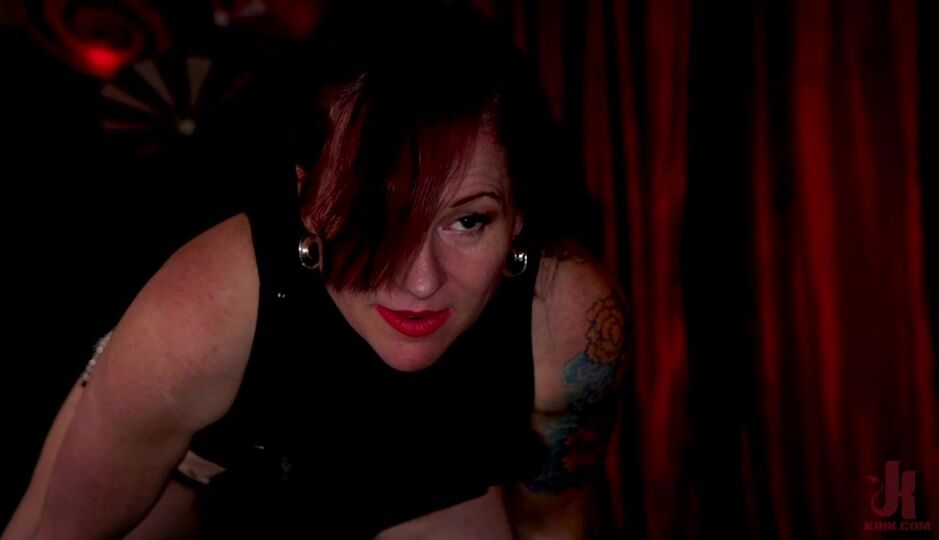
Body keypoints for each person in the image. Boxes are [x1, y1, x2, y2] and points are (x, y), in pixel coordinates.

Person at [3, 4, 629, 539]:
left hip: (424, 486)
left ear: (518, 213)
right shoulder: (196, 317)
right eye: (371, 215)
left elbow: (553, 522)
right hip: (200, 468)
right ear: (306, 195)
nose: (420, 283)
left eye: (467, 221)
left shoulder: (569, 319)